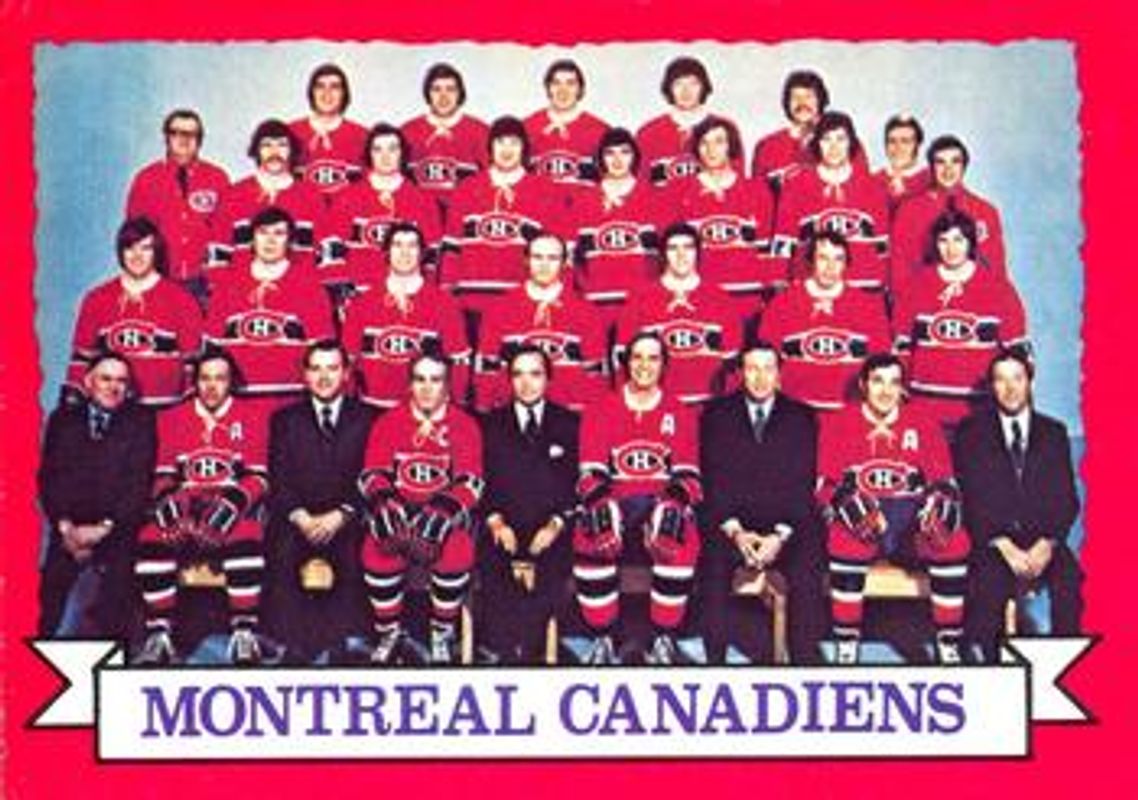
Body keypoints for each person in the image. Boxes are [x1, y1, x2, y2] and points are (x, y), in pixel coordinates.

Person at [818, 354, 971, 665]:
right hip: (864, 513)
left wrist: (937, 503)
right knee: (842, 541)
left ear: (902, 388)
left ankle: (948, 644)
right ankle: (847, 644)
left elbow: (945, 481)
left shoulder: (923, 423)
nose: (886, 391)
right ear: (863, 385)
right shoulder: (838, 422)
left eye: (894, 383)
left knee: (953, 541)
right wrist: (848, 504)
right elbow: (823, 485)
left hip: (910, 515)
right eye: (878, 381)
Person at [133, 349, 270, 665]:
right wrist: (175, 511)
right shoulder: (170, 418)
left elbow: (259, 477)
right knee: (151, 540)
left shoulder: (253, 417)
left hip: (231, 508)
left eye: (220, 378)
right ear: (194, 381)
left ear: (231, 382)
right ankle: (159, 634)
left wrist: (229, 507)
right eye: (205, 378)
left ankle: (244, 631)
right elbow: (163, 476)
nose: (211, 386)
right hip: (186, 504)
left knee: (248, 537)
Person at [574, 332, 702, 664]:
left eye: (653, 358)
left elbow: (689, 477)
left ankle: (663, 635)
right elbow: (589, 474)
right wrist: (603, 506)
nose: (645, 365)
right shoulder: (601, 409)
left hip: (659, 504)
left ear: (664, 365)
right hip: (616, 503)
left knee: (678, 529)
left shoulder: (680, 411)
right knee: (593, 528)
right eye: (638, 357)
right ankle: (602, 636)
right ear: (626, 362)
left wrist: (670, 506)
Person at [698, 339, 826, 663]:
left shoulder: (801, 417)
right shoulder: (716, 414)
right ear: (740, 373)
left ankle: (804, 659)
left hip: (784, 525)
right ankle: (714, 660)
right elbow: (713, 479)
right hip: (734, 525)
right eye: (752, 368)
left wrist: (779, 536)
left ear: (779, 374)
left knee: (808, 563)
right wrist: (736, 532)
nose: (760, 377)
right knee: (711, 562)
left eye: (768, 369)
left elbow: (803, 483)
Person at [955, 349, 1082, 662]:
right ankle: (997, 669)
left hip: (1042, 540)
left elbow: (1067, 500)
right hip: (994, 542)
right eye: (1001, 380)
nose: (1010, 388)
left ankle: (1063, 664)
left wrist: (1049, 542)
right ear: (991, 386)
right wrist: (1000, 543)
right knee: (989, 584)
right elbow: (969, 499)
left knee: (1071, 580)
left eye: (1017, 378)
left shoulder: (1054, 433)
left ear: (1030, 382)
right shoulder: (971, 434)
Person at [357, 350, 484, 665]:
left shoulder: (464, 425)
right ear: (409, 384)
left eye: (435, 380)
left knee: (457, 551)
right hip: (401, 511)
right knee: (376, 550)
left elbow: (471, 482)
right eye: (420, 379)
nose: (427, 388)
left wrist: (439, 515)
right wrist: (386, 505)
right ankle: (389, 632)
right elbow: (372, 474)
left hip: (443, 518)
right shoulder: (388, 422)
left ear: (448, 385)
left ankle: (441, 630)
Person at [266, 340, 376, 663]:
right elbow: (279, 476)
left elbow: (372, 476)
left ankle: (345, 645)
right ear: (305, 375)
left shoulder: (368, 418)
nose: (324, 377)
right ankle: (293, 646)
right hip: (299, 517)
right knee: (281, 550)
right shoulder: (285, 420)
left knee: (355, 553)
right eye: (316, 369)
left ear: (346, 373)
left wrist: (342, 514)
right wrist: (301, 517)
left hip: (345, 518)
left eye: (332, 368)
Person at [38, 353, 156, 638]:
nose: (113, 387)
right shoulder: (63, 420)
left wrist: (104, 529)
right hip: (69, 529)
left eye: (121, 381)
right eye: (106, 379)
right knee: (46, 593)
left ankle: (111, 654)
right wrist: (66, 527)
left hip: (117, 528)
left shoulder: (140, 422)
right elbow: (49, 478)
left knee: (118, 591)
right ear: (89, 382)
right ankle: (37, 653)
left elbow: (138, 485)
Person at [479, 346, 580, 663]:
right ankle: (508, 647)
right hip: (503, 521)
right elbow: (481, 480)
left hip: (551, 523)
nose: (526, 383)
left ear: (548, 378)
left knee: (554, 565)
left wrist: (556, 524)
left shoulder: (570, 423)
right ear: (509, 380)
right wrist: (496, 521)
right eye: (518, 374)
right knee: (490, 559)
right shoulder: (491, 424)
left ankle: (531, 649)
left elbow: (577, 484)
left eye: (535, 374)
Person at [893, 208, 1028, 430]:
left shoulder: (998, 287)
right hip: (925, 407)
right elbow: (901, 348)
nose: (951, 248)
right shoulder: (915, 286)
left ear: (971, 243)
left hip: (980, 410)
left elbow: (1018, 354)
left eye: (958, 240)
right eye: (943, 240)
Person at [65, 217, 202, 408]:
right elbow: (81, 360)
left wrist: (187, 414)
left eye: (146, 248)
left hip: (164, 410)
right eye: (130, 248)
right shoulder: (96, 299)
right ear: (120, 252)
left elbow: (193, 366)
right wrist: (72, 400)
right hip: (114, 412)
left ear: (156, 252)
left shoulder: (181, 299)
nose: (137, 256)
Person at [204, 207, 335, 407]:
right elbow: (212, 347)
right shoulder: (228, 284)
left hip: (292, 400)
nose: (270, 241)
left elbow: (322, 352)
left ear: (290, 241)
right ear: (252, 239)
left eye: (279, 233)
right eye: (263, 232)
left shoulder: (310, 286)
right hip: (239, 399)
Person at [340, 222, 469, 410]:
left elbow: (458, 363)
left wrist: (451, 407)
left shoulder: (444, 303)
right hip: (370, 408)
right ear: (386, 252)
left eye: (412, 246)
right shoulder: (362, 303)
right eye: (398, 245)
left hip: (422, 412)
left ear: (422, 253)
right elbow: (347, 362)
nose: (405, 252)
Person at [760, 231, 891, 413]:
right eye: (823, 258)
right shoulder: (782, 304)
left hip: (848, 413)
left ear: (846, 264)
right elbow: (764, 363)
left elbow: (881, 366)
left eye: (838, 259)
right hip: (796, 412)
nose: (830, 267)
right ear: (811, 261)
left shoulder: (867, 306)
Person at [473, 233, 605, 412]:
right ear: (526, 260)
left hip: (570, 413)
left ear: (564, 263)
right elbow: (486, 370)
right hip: (514, 415)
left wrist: (593, 417)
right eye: (537, 257)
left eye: (552, 258)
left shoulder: (586, 311)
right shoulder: (500, 309)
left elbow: (596, 376)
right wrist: (485, 410)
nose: (544, 265)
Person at [441, 115, 556, 321]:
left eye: (514, 142)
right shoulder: (467, 188)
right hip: (469, 301)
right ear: (490, 147)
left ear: (524, 148)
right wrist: (447, 297)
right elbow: (451, 250)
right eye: (500, 142)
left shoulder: (543, 190)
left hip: (519, 304)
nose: (507, 149)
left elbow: (552, 254)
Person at [615, 222, 742, 406]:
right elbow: (622, 362)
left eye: (688, 247)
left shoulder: (721, 300)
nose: (681, 255)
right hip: (658, 408)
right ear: (662, 255)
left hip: (710, 407)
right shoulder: (639, 301)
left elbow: (732, 367)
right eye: (673, 248)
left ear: (698, 252)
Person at [772, 111, 890, 290]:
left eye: (841, 139)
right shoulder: (796, 185)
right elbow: (783, 246)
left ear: (852, 143)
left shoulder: (873, 186)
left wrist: (884, 290)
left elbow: (884, 249)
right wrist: (782, 290)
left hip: (864, 290)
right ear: (817, 143)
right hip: (812, 291)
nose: (834, 147)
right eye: (826, 139)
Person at [323, 123, 445, 288]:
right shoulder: (347, 198)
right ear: (369, 154)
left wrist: (421, 292)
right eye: (378, 149)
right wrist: (343, 293)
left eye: (392, 149)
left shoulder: (423, 200)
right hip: (358, 293)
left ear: (403, 153)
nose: (385, 156)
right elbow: (331, 251)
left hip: (406, 294)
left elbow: (432, 257)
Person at [672, 115, 777, 302]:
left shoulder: (756, 190)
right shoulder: (679, 191)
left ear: (731, 146)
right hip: (702, 300)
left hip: (749, 298)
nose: (711, 150)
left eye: (719, 142)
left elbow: (767, 252)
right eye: (704, 143)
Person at [125, 109, 230, 295]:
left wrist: (218, 279)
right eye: (176, 133)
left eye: (191, 134)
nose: (184, 140)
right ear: (166, 137)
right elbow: (134, 235)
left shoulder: (217, 178)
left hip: (204, 283)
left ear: (200, 140)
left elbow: (225, 232)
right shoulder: (146, 179)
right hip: (160, 279)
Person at [891, 134, 1007, 292]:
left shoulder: (985, 212)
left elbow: (996, 271)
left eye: (955, 161)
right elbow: (899, 271)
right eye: (940, 162)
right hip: (923, 296)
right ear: (931, 167)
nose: (948, 169)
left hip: (974, 297)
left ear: (964, 166)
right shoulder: (909, 211)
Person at [206, 119, 326, 269]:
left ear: (292, 151)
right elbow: (218, 254)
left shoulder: (311, 196)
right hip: (242, 282)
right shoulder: (234, 195)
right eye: (267, 145)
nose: (274, 152)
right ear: (256, 151)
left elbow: (322, 255)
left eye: (282, 145)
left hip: (300, 281)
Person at [570, 127, 661, 322]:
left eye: (625, 152)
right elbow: (570, 258)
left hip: (642, 306)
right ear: (599, 159)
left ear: (635, 157)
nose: (617, 160)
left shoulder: (655, 199)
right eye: (610, 153)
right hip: (595, 307)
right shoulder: (582, 201)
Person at [402, 63, 489, 219]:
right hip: (419, 219)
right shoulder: (407, 132)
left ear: (460, 94)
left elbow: (492, 182)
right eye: (436, 89)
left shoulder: (481, 132)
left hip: (463, 218)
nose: (443, 96)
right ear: (427, 94)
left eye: (450, 89)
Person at [637, 56, 733, 189]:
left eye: (693, 83)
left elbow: (736, 186)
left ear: (704, 87)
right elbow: (641, 187)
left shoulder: (725, 130)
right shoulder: (647, 133)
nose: (686, 91)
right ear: (668, 88)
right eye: (678, 84)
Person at [523, 59, 608, 188]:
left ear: (580, 89)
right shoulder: (526, 128)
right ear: (548, 88)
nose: (563, 90)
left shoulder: (600, 132)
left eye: (570, 83)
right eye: (556, 83)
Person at [289, 63, 368, 198]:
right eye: (320, 86)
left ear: (344, 94)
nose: (327, 93)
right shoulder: (290, 133)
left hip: (347, 210)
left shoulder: (363, 136)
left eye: (335, 87)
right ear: (311, 93)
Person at [751, 69, 830, 196]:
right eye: (795, 97)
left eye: (808, 96)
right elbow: (757, 197)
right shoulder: (766, 147)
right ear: (787, 103)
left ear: (821, 100)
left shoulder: (843, 143)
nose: (802, 103)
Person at [873, 114, 929, 217]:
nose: (898, 148)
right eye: (892, 141)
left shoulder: (931, 181)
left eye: (905, 141)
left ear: (918, 145)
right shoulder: (874, 181)